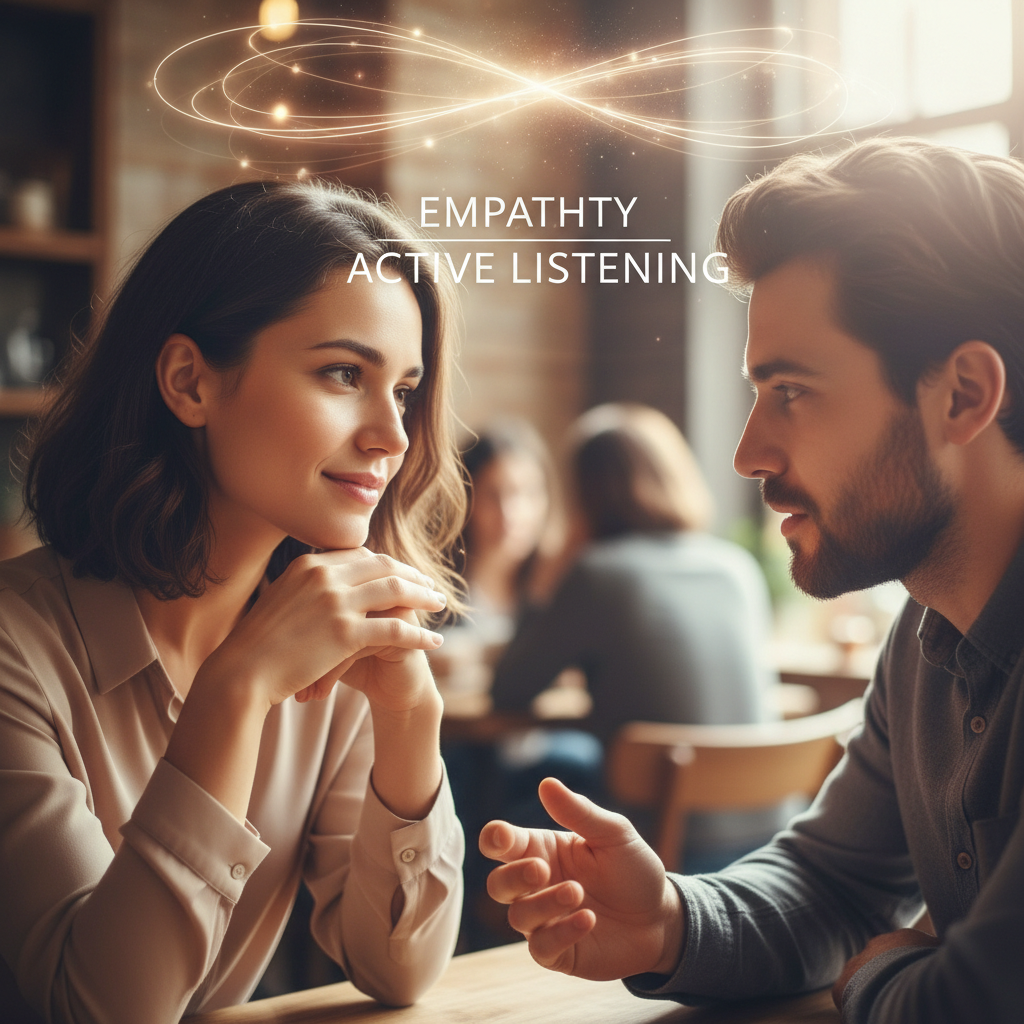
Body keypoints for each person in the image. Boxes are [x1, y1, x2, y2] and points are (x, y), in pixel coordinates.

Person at [480, 136, 1024, 1023]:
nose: (745, 454)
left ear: (963, 395)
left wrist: (872, 980)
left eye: (793, 392)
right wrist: (668, 921)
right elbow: (835, 886)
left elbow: (975, 1000)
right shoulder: (924, 640)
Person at [0, 180, 467, 1023]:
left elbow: (397, 971)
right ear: (189, 382)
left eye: (402, 389)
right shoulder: (15, 648)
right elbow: (100, 1009)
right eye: (342, 373)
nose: (393, 436)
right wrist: (236, 690)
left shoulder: (340, 649)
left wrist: (411, 722)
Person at [489, 403, 781, 869]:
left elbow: (510, 689)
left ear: (584, 493)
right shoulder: (735, 567)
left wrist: (549, 578)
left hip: (660, 849)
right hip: (769, 836)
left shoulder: (598, 573)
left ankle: (477, 932)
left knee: (506, 786)